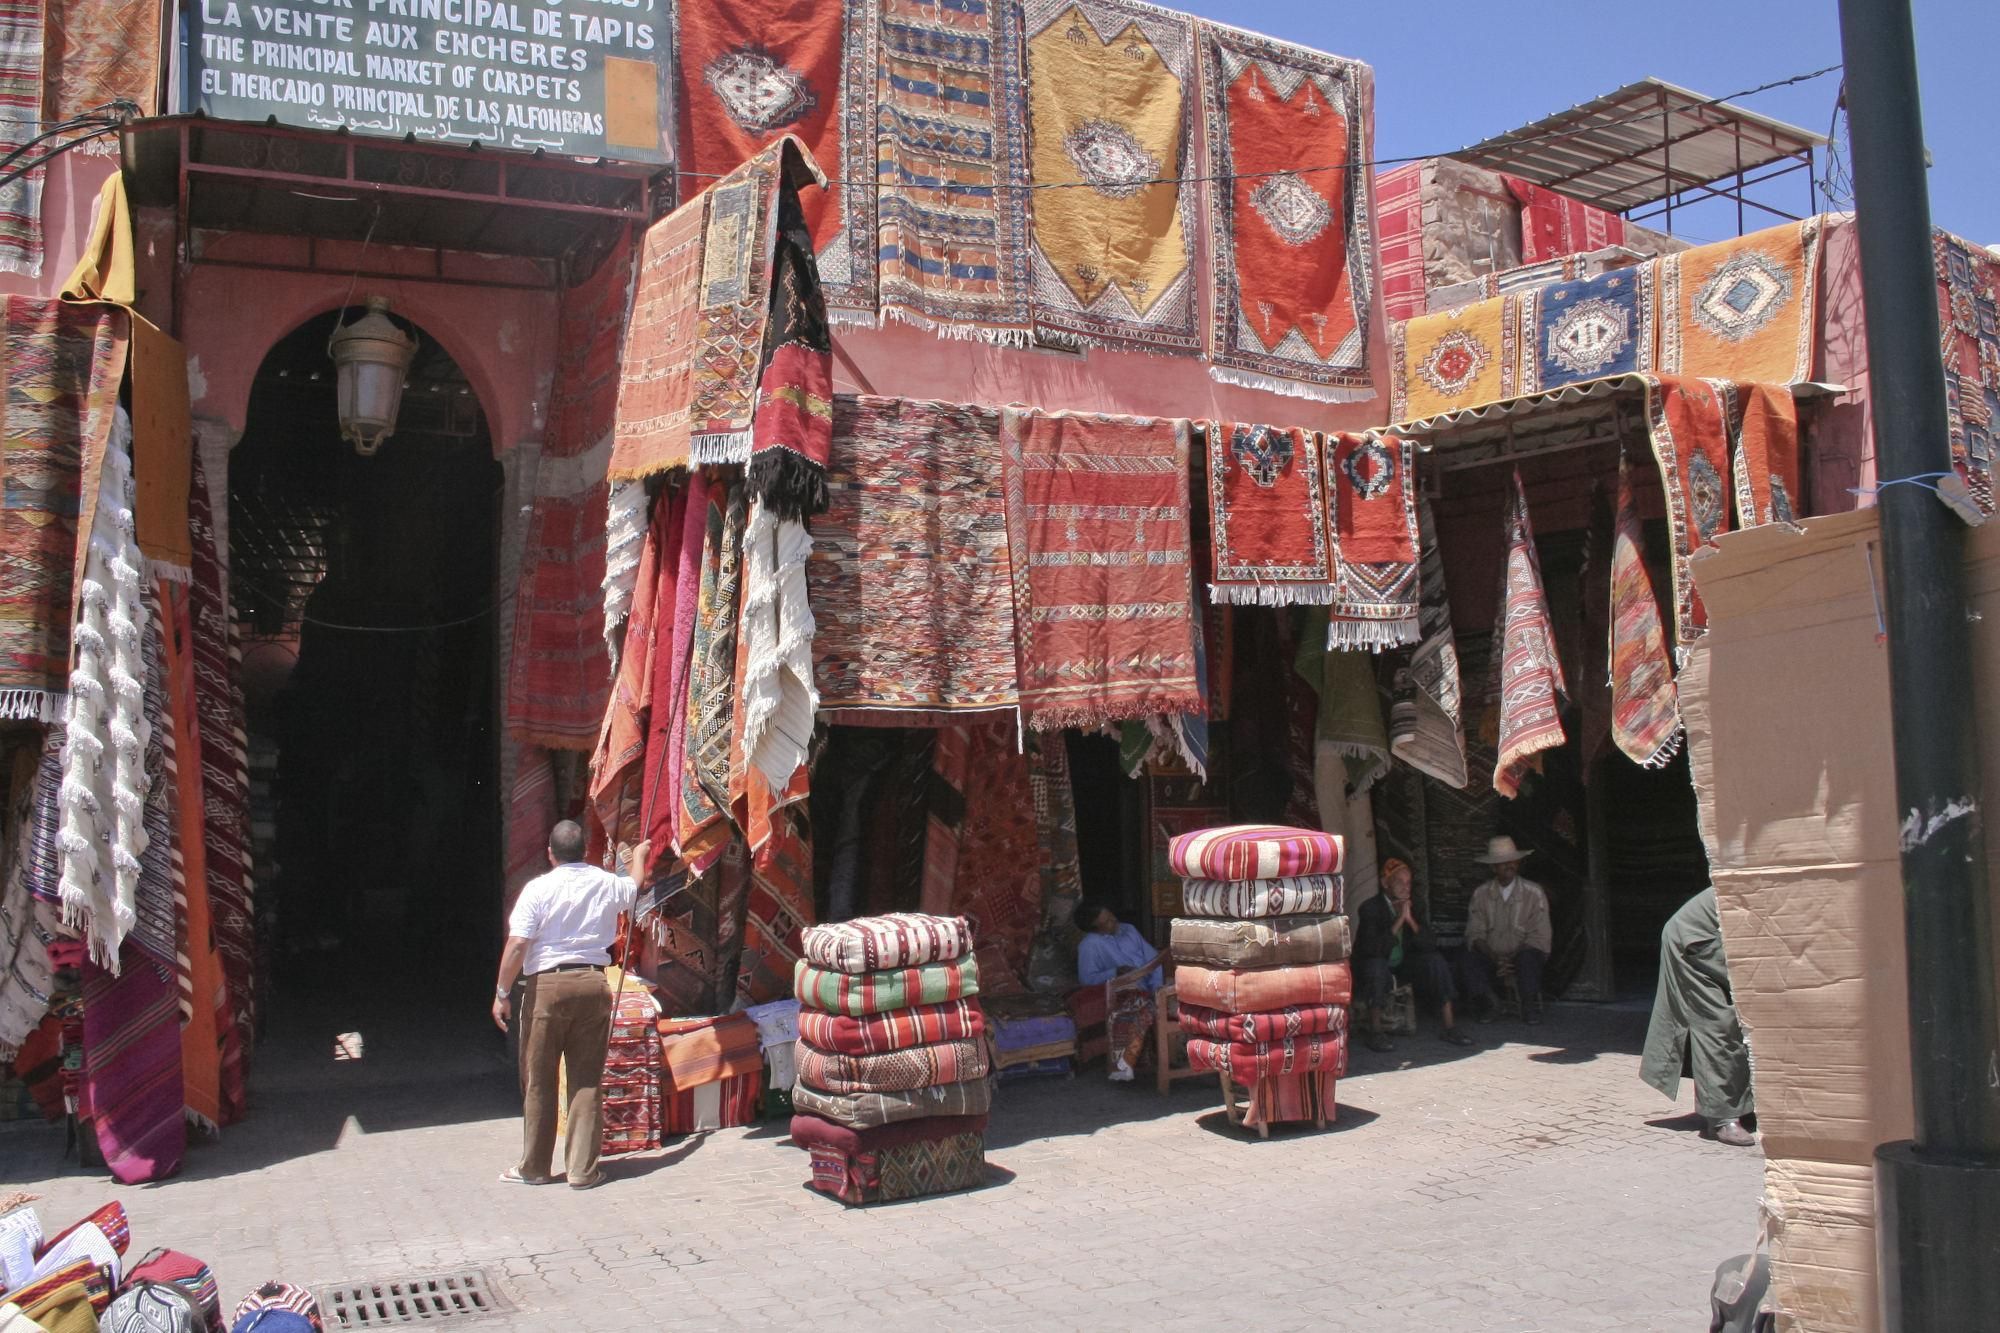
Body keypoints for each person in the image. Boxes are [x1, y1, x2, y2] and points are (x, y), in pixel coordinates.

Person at [491, 822, 646, 1189]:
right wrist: (640, 857)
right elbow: (635, 886)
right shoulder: (606, 882)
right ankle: (582, 1170)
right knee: (586, 1080)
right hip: (593, 983)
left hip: (547, 986)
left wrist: (501, 993)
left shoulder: (538, 889)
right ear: (586, 850)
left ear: (550, 853)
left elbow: (517, 946)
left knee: (539, 1080)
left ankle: (535, 1168)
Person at [1641, 887, 1756, 1147]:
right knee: (1718, 1024)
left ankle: (1744, 1104)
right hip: (1695, 942)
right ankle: (1722, 1118)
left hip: (1717, 939)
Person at [1353, 858, 1474, 1051]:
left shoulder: (1414, 905)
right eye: (1399, 882)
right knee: (1375, 966)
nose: (1405, 887)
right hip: (1377, 964)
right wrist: (1399, 920)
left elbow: (1429, 943)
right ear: (1385, 884)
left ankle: (1450, 1026)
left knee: (1436, 962)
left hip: (1403, 965)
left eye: (1408, 883)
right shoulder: (1370, 908)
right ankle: (1375, 1032)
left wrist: (1409, 919)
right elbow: (1373, 949)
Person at [1459, 835, 1552, 1024]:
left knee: (1529, 958)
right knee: (1466, 958)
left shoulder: (1534, 892)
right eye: (1503, 862)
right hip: (1492, 955)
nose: (1509, 865)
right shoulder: (1481, 893)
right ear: (1493, 867)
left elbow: (1539, 934)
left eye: (1512, 861)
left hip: (1523, 952)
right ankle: (1489, 1001)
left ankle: (1528, 1006)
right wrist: (1495, 957)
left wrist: (1511, 959)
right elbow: (1475, 932)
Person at [1073, 900, 1165, 1083]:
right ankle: (1126, 1062)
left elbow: (1154, 960)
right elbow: (1087, 979)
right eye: (1107, 921)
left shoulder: (1129, 930)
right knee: (1137, 1011)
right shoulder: (1089, 946)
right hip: (1127, 992)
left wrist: (1157, 988)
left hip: (1152, 987)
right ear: (1095, 928)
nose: (1114, 921)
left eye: (1112, 916)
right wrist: (1114, 972)